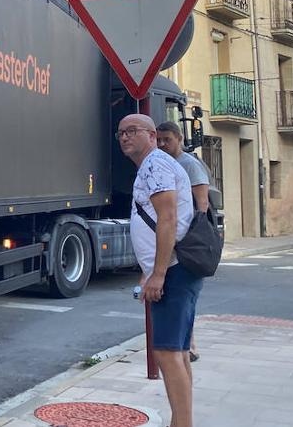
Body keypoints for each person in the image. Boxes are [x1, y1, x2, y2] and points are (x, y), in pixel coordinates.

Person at [118, 113, 200, 427]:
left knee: (167, 353)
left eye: (133, 131)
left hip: (175, 270)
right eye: (121, 132)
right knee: (176, 351)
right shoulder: (153, 166)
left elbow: (167, 218)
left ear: (152, 136)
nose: (125, 137)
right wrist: (149, 269)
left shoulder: (155, 164)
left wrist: (159, 273)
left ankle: (182, 423)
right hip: (175, 268)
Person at [156, 121, 211, 364]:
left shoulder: (189, 165)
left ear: (179, 139)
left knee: (184, 296)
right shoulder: (163, 163)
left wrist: (190, 237)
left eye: (167, 139)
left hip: (187, 240)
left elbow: (202, 203)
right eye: (158, 140)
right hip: (174, 238)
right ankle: (188, 344)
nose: (162, 144)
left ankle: (188, 344)